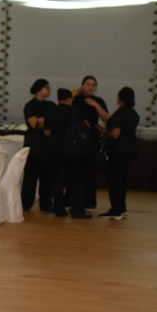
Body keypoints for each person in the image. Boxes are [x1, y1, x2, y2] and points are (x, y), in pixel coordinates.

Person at [100, 86, 139, 219]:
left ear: (120, 98)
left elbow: (116, 134)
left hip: (118, 151)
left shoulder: (119, 113)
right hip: (130, 149)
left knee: (114, 180)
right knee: (122, 180)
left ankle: (116, 209)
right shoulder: (133, 114)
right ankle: (122, 207)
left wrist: (106, 133)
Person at [63, 86, 100, 219]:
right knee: (79, 180)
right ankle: (77, 209)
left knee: (71, 180)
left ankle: (69, 206)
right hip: (80, 151)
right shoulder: (77, 113)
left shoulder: (65, 111)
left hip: (69, 150)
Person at [22, 78, 53, 212]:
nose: (49, 90)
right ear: (39, 89)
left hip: (47, 145)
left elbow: (54, 121)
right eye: (46, 87)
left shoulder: (50, 105)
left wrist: (43, 121)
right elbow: (34, 123)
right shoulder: (30, 105)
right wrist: (46, 120)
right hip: (34, 143)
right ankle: (26, 203)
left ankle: (46, 204)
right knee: (30, 175)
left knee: (47, 176)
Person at [47, 88, 73, 218]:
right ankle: (71, 204)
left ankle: (58, 207)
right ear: (69, 99)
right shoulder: (73, 112)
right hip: (70, 149)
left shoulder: (52, 111)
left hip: (54, 148)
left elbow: (47, 131)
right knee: (71, 178)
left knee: (56, 179)